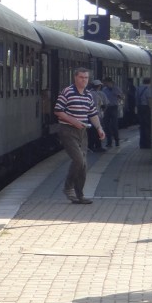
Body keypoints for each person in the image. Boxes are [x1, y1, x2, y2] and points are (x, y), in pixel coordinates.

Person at [54, 67, 105, 204]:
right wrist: (74, 121)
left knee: (83, 165)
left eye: (86, 78)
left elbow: (92, 113)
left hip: (82, 131)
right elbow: (58, 111)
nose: (84, 80)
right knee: (78, 160)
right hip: (68, 130)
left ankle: (79, 195)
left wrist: (99, 128)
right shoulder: (67, 92)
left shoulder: (88, 95)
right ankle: (68, 187)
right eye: (81, 77)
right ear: (75, 78)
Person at [87, 79, 108, 152]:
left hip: (88, 116)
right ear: (99, 86)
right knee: (98, 131)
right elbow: (104, 105)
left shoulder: (87, 93)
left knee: (90, 132)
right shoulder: (99, 94)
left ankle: (90, 146)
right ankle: (98, 146)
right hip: (97, 116)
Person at [102, 80, 123, 148]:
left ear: (111, 83)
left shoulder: (116, 89)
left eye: (108, 83)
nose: (107, 84)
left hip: (114, 107)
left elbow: (122, 97)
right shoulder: (104, 89)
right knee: (106, 126)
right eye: (106, 83)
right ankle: (109, 142)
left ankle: (117, 141)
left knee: (114, 125)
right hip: (106, 108)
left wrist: (118, 96)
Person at [137, 77, 152, 149]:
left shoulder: (138, 88)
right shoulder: (149, 88)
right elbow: (149, 100)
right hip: (146, 108)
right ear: (150, 82)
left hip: (140, 107)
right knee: (147, 126)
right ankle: (147, 144)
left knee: (142, 126)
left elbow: (136, 98)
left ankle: (142, 144)